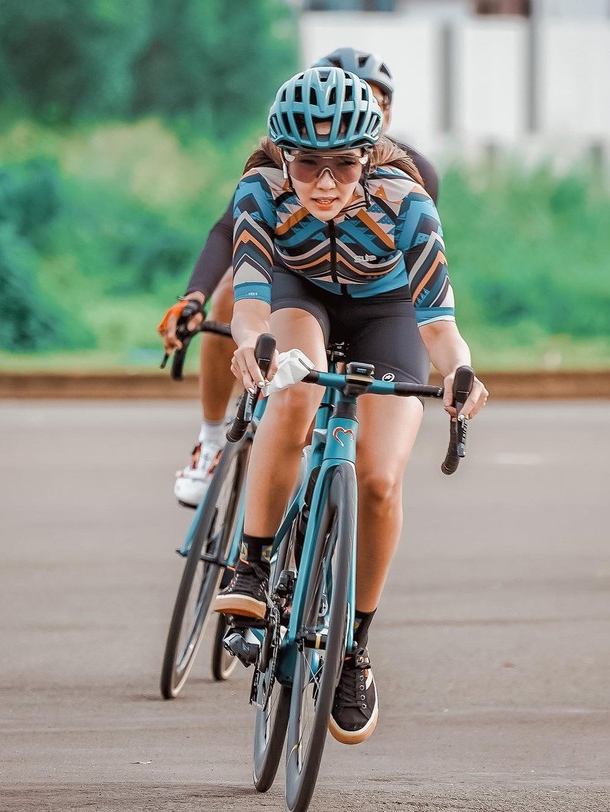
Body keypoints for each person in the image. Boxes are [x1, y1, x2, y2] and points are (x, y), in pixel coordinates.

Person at [208, 66, 488, 746]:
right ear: (284, 156)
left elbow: (440, 329)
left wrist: (461, 373)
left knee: (381, 479)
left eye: (343, 164)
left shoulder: (407, 203)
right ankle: (253, 563)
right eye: (308, 163)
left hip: (389, 311)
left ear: (369, 155)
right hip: (299, 297)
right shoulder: (260, 192)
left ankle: (354, 647)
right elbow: (250, 305)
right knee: (295, 392)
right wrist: (251, 347)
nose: (326, 183)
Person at [158, 47, 441, 509]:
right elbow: (229, 229)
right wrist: (193, 298)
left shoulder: (413, 174)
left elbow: (417, 257)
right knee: (231, 291)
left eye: (374, 100)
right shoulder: (279, 161)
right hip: (291, 275)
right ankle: (210, 441)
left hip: (371, 292)